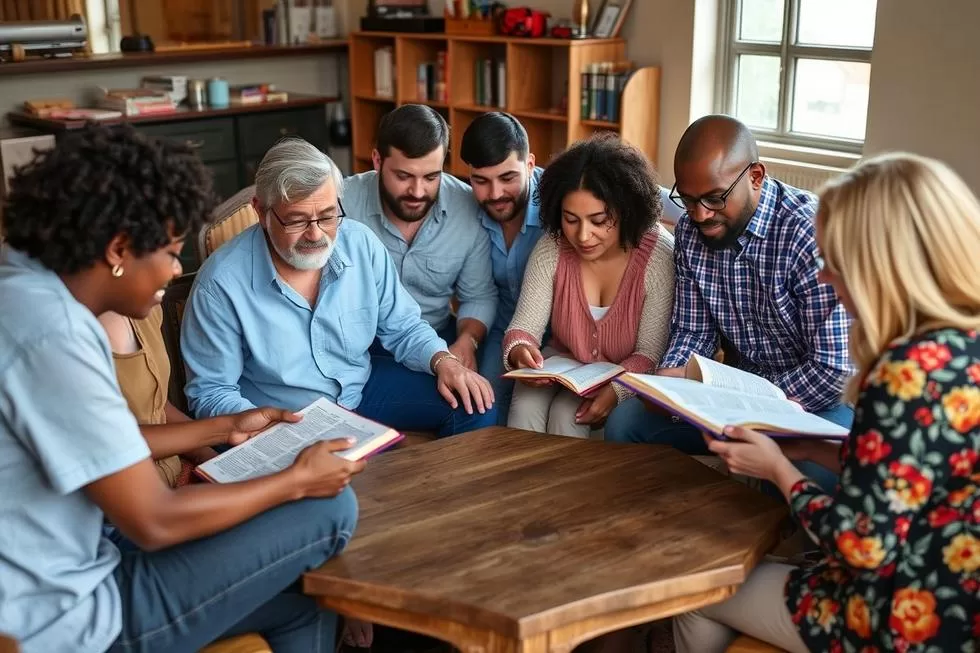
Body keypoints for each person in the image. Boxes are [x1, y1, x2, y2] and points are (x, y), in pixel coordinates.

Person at [0, 123, 363, 653]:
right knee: (330, 510)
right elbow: (153, 521)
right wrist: (296, 481)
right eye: (171, 253)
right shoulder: (53, 335)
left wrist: (223, 427)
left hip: (82, 555)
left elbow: (106, 441)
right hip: (68, 617)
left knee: (306, 600)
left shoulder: (23, 287)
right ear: (119, 248)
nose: (175, 272)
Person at [673, 152, 980, 652]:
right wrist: (813, 449)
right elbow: (909, 476)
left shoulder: (905, 373)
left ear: (881, 267)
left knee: (693, 581)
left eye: (834, 262)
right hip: (957, 601)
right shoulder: (959, 345)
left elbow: (862, 546)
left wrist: (777, 469)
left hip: (897, 618)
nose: (824, 278)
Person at [181, 137, 496, 437]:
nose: (316, 235)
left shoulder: (359, 244)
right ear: (261, 212)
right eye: (297, 220)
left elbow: (403, 327)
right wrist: (270, 433)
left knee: (475, 404)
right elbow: (212, 393)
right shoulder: (220, 284)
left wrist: (444, 361)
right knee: (351, 468)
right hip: (283, 416)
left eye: (328, 216)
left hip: (358, 390)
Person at [605, 115, 853, 490]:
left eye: (715, 198)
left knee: (810, 473)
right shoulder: (691, 232)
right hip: (727, 400)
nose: (701, 214)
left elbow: (833, 370)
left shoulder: (809, 234)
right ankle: (660, 523)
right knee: (625, 424)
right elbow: (692, 330)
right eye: (688, 200)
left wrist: (749, 399)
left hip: (816, 404)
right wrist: (671, 382)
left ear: (756, 177)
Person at [503, 134, 675, 437]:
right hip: (562, 366)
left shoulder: (658, 257)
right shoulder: (552, 247)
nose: (582, 236)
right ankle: (520, 471)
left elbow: (650, 354)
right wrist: (520, 350)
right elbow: (523, 329)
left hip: (624, 375)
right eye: (571, 219)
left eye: (598, 220)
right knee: (526, 401)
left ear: (626, 210)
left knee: (568, 414)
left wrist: (618, 390)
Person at [342, 104, 498, 372]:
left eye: (431, 177)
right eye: (403, 176)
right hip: (358, 347)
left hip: (435, 338)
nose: (417, 191)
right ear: (377, 160)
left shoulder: (467, 208)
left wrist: (467, 341)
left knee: (481, 397)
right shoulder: (342, 203)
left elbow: (479, 295)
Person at [460, 112, 546, 423]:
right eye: (481, 181)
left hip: (561, 334)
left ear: (530, 164)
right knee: (483, 409)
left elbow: (640, 190)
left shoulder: (560, 192)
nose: (495, 194)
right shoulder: (464, 205)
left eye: (507, 178)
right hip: (500, 328)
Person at [97, 307, 216, 487]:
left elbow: (158, 405)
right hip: (133, 491)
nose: (175, 276)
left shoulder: (148, 308)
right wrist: (224, 429)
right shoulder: (68, 337)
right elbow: (110, 445)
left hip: (177, 475)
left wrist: (212, 460)